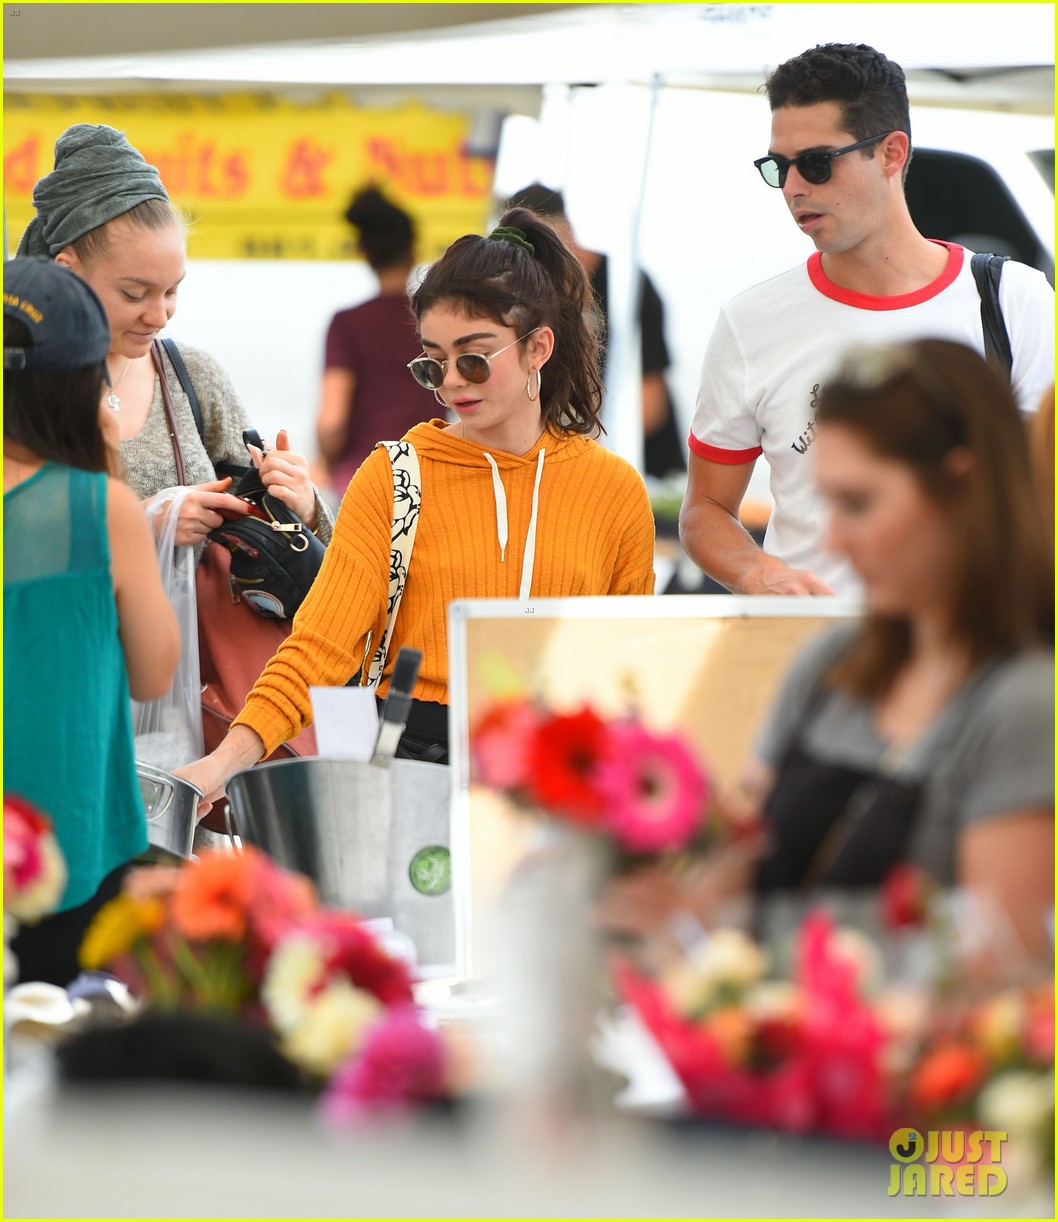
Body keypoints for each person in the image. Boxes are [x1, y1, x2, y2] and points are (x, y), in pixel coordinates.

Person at [178, 206, 657, 810]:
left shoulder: (612, 490)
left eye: (475, 357)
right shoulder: (394, 476)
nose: (453, 381)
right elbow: (319, 646)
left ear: (538, 347)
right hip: (412, 771)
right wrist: (223, 763)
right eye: (434, 362)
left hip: (561, 779)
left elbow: (632, 665)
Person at [607, 339, 1054, 966]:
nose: (835, 539)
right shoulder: (833, 663)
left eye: (858, 503)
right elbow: (735, 882)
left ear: (963, 487)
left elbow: (997, 974)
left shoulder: (1026, 703)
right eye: (826, 501)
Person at [679, 42, 1055, 597]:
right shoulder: (750, 322)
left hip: (970, 652)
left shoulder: (1013, 299)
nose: (793, 188)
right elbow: (705, 508)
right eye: (777, 167)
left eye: (815, 163)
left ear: (891, 154)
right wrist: (758, 571)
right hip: (817, 651)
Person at [17, 124, 333, 555]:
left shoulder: (192, 375)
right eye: (134, 293)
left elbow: (292, 544)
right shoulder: (17, 382)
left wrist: (306, 506)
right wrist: (144, 523)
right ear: (68, 272)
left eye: (172, 291)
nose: (159, 315)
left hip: (201, 624)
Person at [4, 257, 181, 986]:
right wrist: (109, 466)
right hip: (69, 853)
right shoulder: (99, 508)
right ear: (84, 386)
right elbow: (153, 672)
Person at [508, 184, 687, 482]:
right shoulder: (532, 295)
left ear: (564, 230)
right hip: (565, 464)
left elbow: (649, 404)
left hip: (641, 471)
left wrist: (578, 455)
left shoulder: (627, 284)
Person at [315, 185, 434, 502]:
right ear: (413, 249)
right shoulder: (434, 321)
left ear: (365, 253)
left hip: (363, 483)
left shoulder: (348, 323)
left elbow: (332, 421)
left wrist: (325, 462)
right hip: (427, 478)